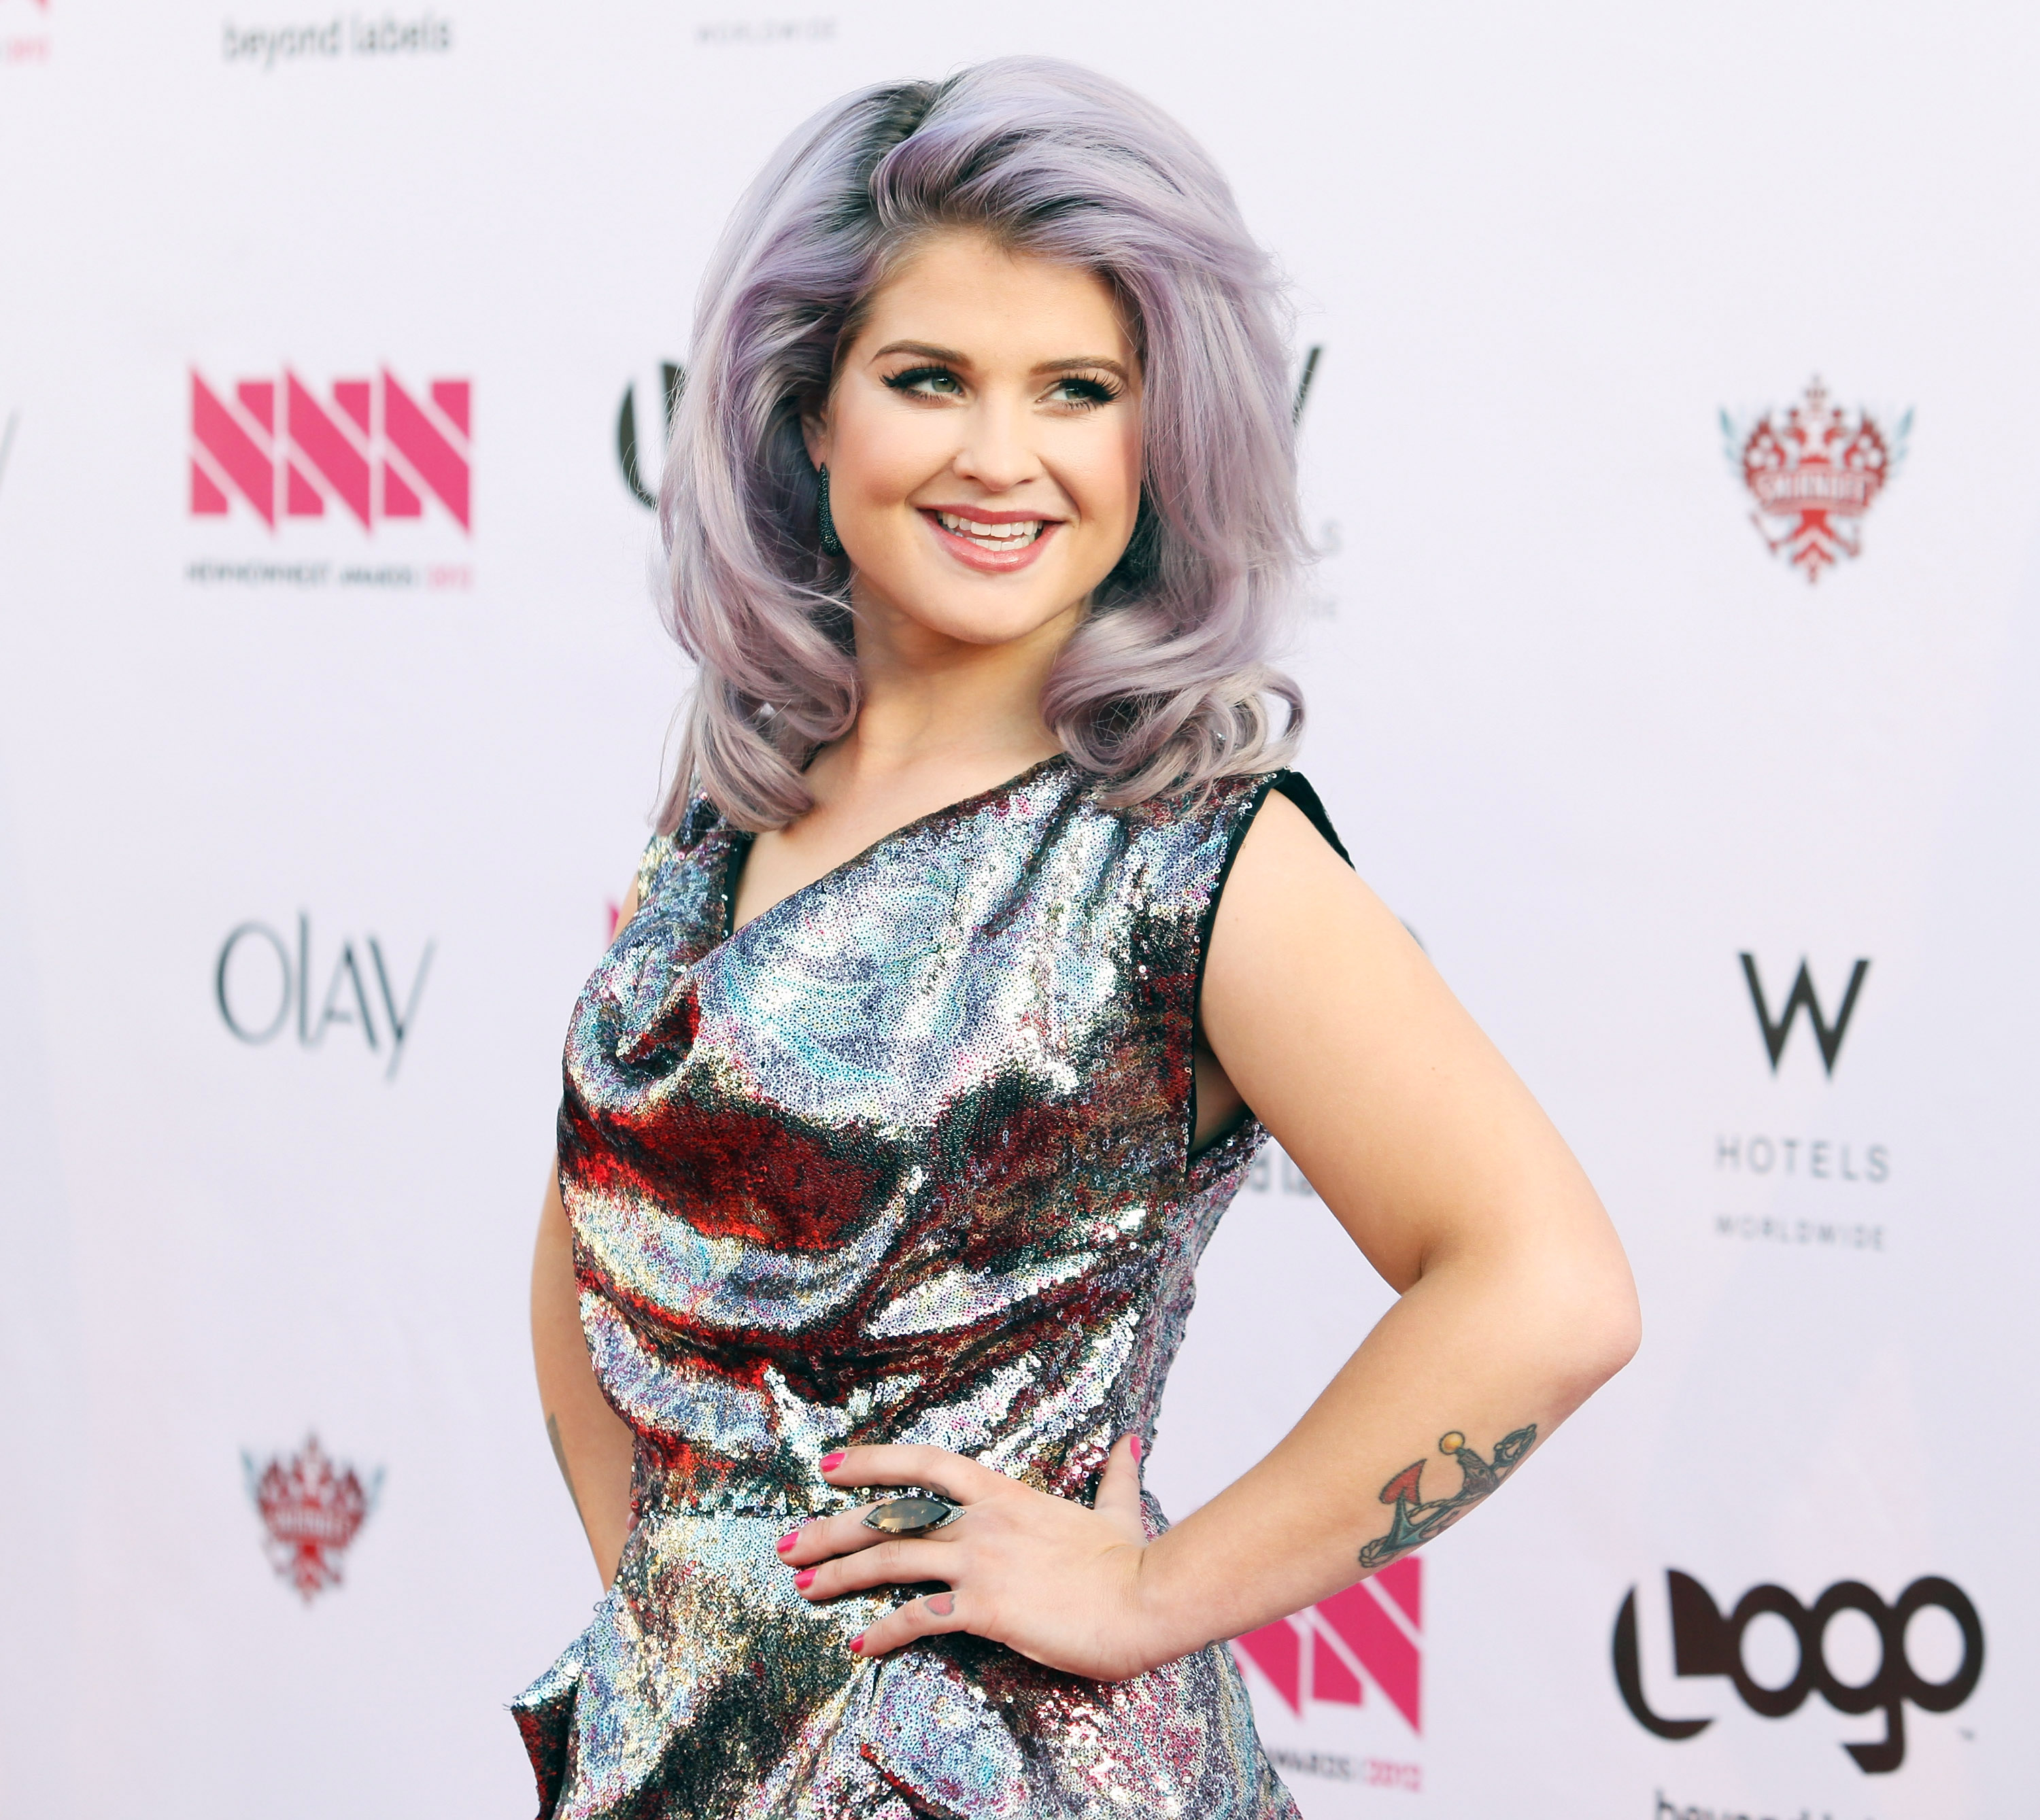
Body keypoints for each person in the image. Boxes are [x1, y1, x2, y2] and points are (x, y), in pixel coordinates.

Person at [520, 56, 1639, 1819]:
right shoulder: (740, 777)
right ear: (810, 416)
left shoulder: (1194, 852)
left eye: (1077, 390)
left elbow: (1546, 1290)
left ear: (1161, 434)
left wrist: (1142, 1591)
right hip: (697, 1761)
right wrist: (685, 1622)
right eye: (930, 379)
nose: (1002, 455)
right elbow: (609, 1235)